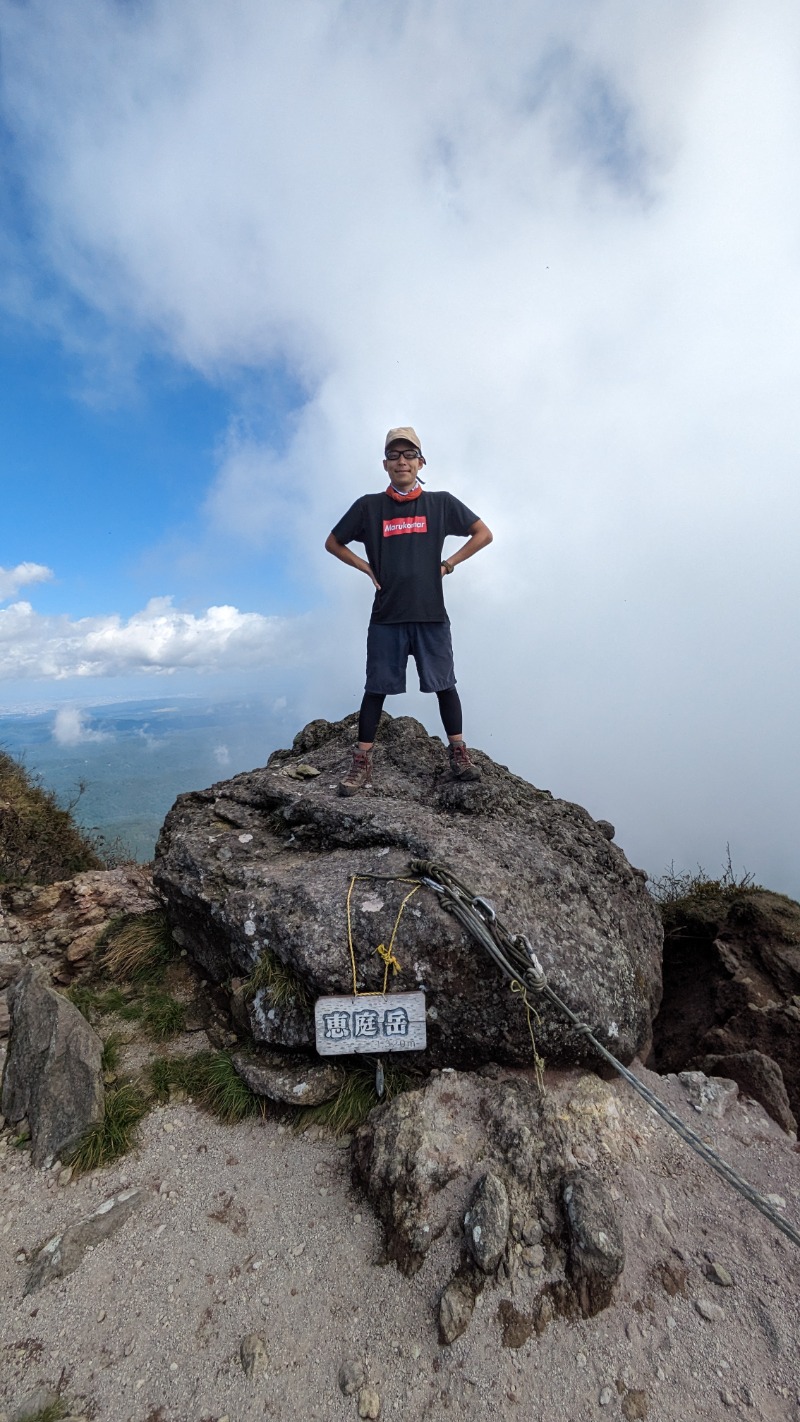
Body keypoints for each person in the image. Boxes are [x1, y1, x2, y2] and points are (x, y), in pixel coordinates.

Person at [325, 425, 493, 795]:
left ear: (421, 462)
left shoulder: (441, 503)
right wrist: (364, 566)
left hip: (431, 612)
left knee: (445, 685)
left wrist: (449, 564)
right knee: (375, 689)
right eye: (394, 455)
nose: (402, 461)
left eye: (409, 454)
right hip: (387, 615)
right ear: (385, 464)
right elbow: (333, 542)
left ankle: (459, 753)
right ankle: (362, 762)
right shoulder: (369, 507)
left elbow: (483, 533)